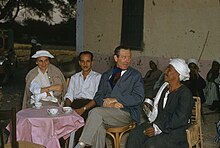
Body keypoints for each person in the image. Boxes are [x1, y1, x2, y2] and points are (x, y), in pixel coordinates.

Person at [74, 45, 145, 148]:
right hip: (107, 113)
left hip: (125, 112)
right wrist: (107, 104)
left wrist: (117, 100)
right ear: (116, 58)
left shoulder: (135, 76)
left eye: (129, 57)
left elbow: (138, 97)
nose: (127, 60)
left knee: (94, 112)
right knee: (98, 127)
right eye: (124, 57)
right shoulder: (106, 75)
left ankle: (81, 144)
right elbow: (98, 96)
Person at [126, 58, 194, 148]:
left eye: (169, 69)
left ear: (178, 74)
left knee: (152, 144)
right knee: (135, 134)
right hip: (159, 123)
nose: (165, 71)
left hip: (176, 131)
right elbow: (151, 95)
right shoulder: (164, 89)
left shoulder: (185, 94)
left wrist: (158, 128)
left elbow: (180, 119)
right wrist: (148, 102)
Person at [64, 51, 101, 144]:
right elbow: (69, 95)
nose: (85, 64)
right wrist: (68, 108)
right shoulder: (74, 77)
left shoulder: (98, 77)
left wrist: (83, 109)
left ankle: (79, 144)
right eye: (82, 61)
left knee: (81, 122)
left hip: (90, 105)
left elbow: (97, 98)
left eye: (88, 61)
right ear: (79, 63)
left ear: (92, 63)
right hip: (76, 104)